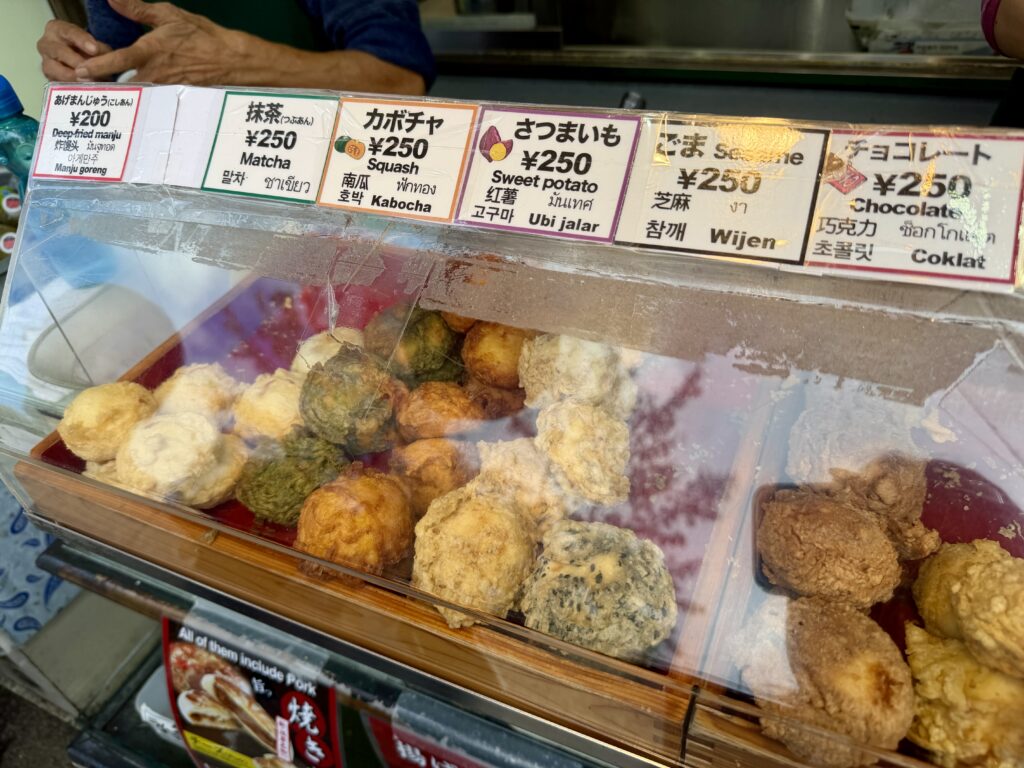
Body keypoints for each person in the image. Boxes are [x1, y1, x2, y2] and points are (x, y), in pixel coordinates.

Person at [37, 0, 432, 95]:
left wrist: (239, 61)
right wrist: (85, 66)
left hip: (339, 171)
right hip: (201, 194)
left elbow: (400, 78)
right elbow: (124, 73)